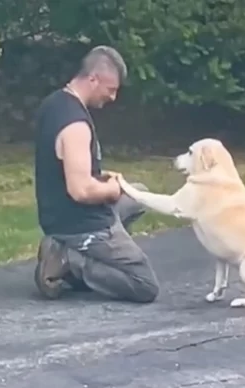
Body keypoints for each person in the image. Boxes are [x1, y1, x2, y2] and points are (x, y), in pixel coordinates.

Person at [32, 45, 160, 302]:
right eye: (110, 90)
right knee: (145, 285)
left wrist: (105, 178)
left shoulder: (54, 103)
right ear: (93, 79)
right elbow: (81, 190)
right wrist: (111, 190)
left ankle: (78, 253)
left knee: (139, 195)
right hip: (81, 223)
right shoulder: (76, 124)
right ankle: (70, 260)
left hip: (57, 213)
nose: (113, 98)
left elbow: (65, 167)